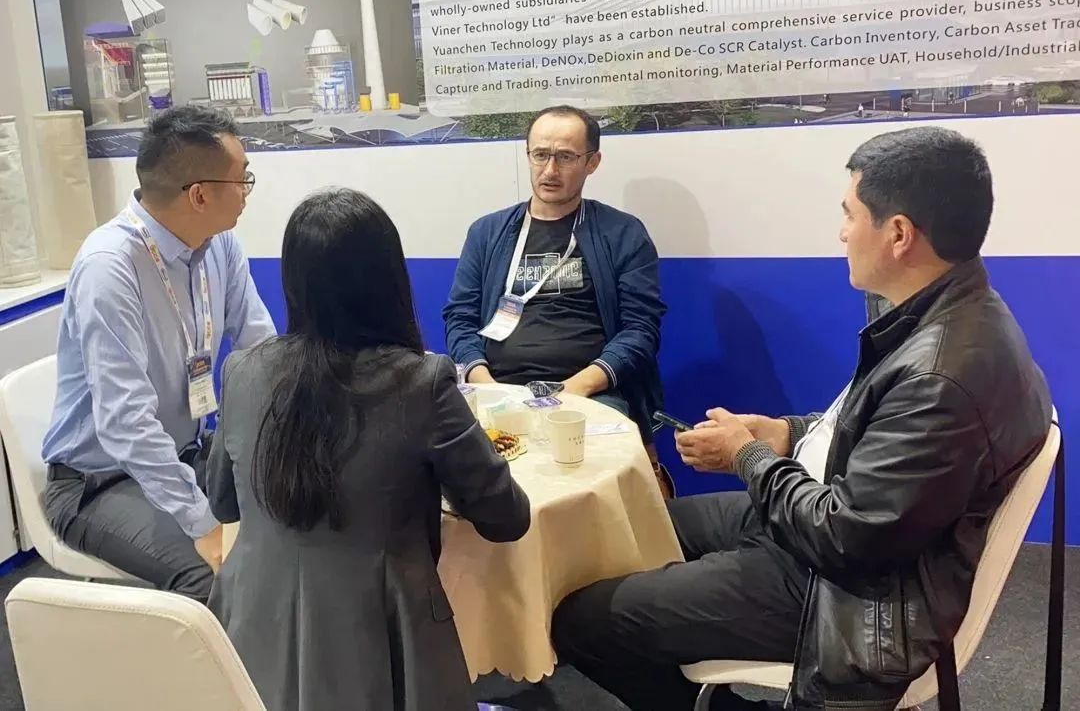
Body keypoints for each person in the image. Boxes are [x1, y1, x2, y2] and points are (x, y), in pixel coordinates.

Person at [551, 126, 1052, 711]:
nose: (841, 232)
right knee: (628, 528)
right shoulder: (946, 314)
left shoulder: (940, 374)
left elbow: (845, 537)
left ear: (898, 234)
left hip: (843, 588)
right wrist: (788, 433)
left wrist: (747, 456)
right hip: (827, 524)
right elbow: (875, 434)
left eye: (850, 214)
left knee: (579, 622)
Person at [207, 188, 531, 711]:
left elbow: (223, 502)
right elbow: (506, 517)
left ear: (293, 281)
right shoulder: (420, 381)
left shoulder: (243, 371)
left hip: (250, 624)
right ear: (388, 278)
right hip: (381, 632)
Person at [41, 105, 275, 601]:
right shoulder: (110, 268)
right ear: (200, 194)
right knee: (216, 575)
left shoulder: (219, 246)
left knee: (298, 522)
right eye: (243, 179)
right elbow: (126, 423)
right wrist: (201, 522)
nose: (247, 192)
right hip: (99, 481)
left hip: (187, 453)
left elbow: (261, 350)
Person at [443, 105, 672, 495]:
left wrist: (575, 390)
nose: (550, 170)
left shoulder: (622, 234)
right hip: (499, 389)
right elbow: (460, 318)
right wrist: (489, 387)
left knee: (579, 489)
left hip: (589, 394)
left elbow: (640, 331)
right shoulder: (487, 233)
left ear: (592, 162)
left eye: (565, 157)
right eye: (540, 155)